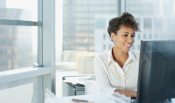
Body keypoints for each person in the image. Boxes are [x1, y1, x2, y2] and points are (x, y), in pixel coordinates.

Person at [94, 12, 140, 98]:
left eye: (132, 35)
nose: (130, 40)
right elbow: (104, 89)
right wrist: (136, 94)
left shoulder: (141, 58)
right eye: (125, 35)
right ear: (113, 36)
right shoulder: (101, 59)